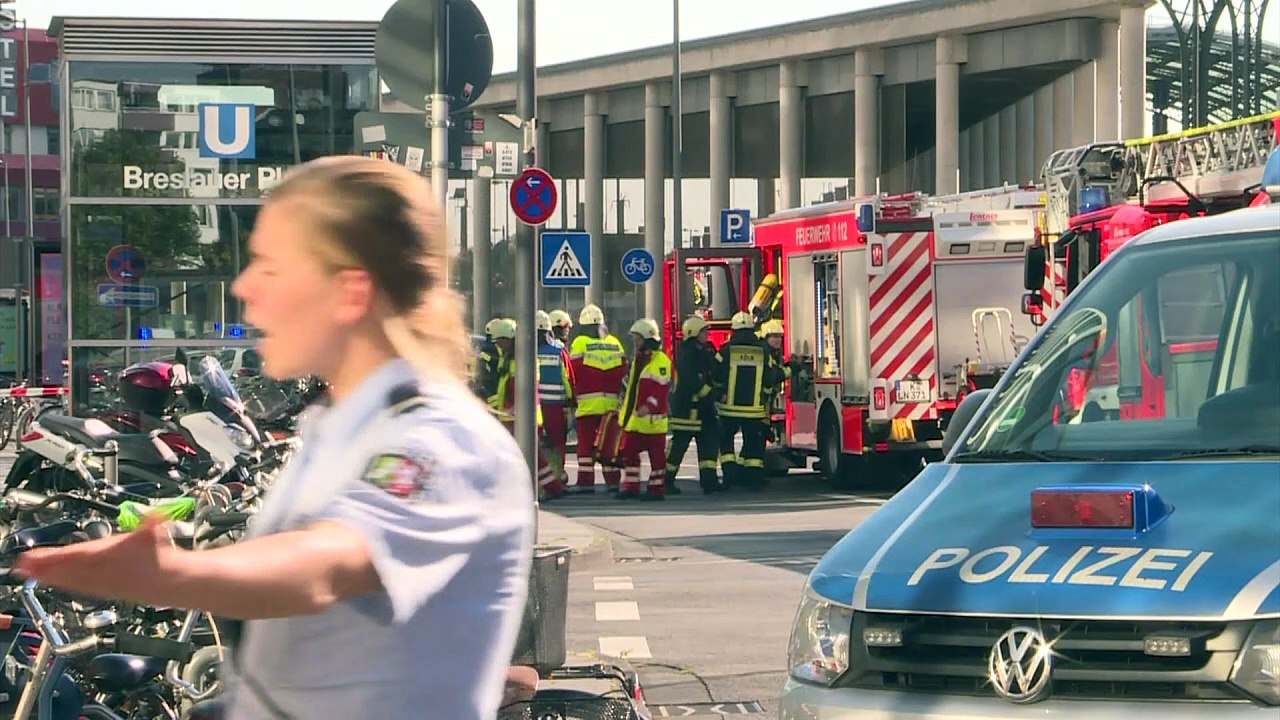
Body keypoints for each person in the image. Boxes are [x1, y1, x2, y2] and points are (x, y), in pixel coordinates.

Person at [14, 156, 536, 719]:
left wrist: (173, 575)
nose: (244, 287)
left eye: (269, 266)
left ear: (350, 292)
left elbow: (326, 565)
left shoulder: (440, 438)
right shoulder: (340, 424)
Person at [492, 317, 564, 500]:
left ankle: (549, 488)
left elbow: (519, 388)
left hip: (518, 416)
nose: (499, 345)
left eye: (501, 341)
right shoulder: (515, 358)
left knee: (528, 457)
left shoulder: (519, 360)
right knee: (530, 456)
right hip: (516, 415)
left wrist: (511, 408)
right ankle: (549, 487)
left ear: (509, 339)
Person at [714, 311, 781, 491]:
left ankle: (730, 475)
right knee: (753, 444)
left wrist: (719, 393)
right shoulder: (763, 352)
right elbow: (770, 377)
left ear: (734, 329)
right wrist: (764, 396)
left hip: (729, 409)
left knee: (726, 441)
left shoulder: (726, 350)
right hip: (755, 410)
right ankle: (753, 479)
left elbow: (716, 374)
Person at [567, 303, 627, 493]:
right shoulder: (615, 342)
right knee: (609, 445)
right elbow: (623, 370)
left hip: (587, 404)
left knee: (585, 446)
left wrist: (572, 395)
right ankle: (613, 483)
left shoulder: (580, 342)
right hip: (610, 404)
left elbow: (572, 372)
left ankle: (585, 483)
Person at [665, 316, 721, 494]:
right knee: (678, 447)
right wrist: (709, 393)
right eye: (704, 332)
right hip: (687, 410)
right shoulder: (686, 354)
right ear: (694, 333)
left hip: (703, 411)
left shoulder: (703, 352)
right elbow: (690, 381)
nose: (707, 334)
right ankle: (665, 480)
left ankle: (709, 481)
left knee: (709, 446)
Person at [618, 318, 672, 500]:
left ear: (647, 338)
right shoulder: (639, 359)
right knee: (629, 453)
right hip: (635, 421)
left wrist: (648, 406)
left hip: (653, 422)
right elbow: (633, 389)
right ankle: (630, 486)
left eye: (637, 338)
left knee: (657, 459)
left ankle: (656, 490)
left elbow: (662, 388)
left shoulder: (661, 361)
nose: (635, 342)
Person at [536, 310, 574, 489]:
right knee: (558, 444)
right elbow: (568, 378)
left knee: (536, 444)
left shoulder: (523, 351)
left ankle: (539, 480)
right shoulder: (558, 350)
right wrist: (571, 399)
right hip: (555, 407)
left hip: (534, 406)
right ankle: (557, 478)